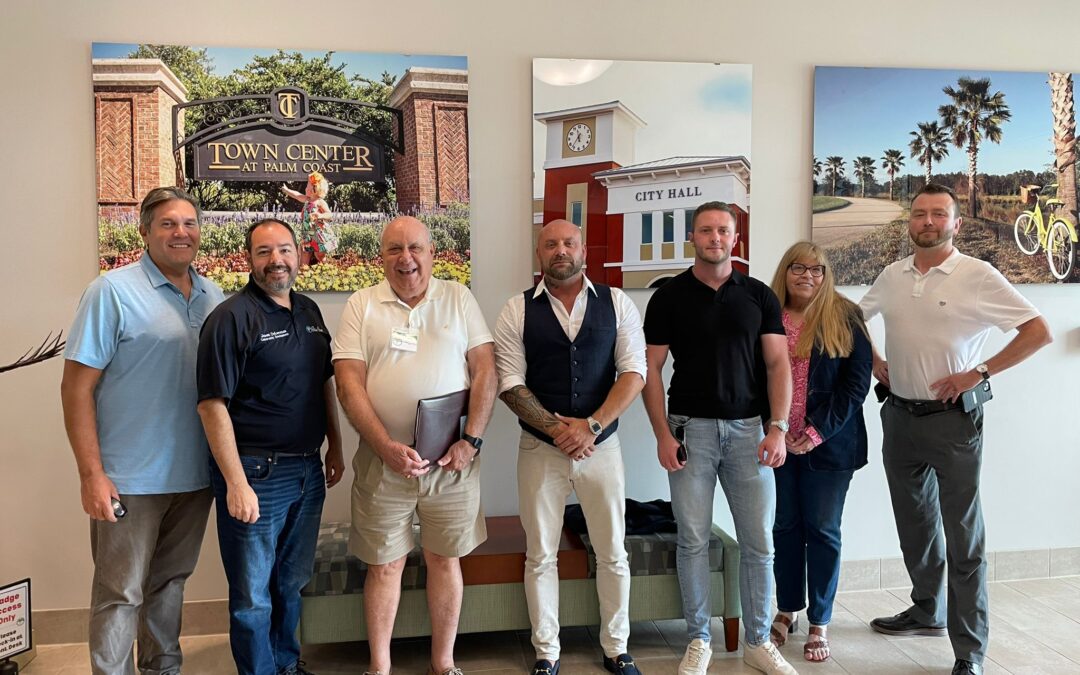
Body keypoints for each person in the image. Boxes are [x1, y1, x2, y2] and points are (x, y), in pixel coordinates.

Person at [861, 183, 1051, 675]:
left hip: (954, 421)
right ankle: (927, 610)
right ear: (910, 222)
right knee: (915, 527)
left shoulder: (977, 274)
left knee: (963, 535)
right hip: (898, 417)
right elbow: (853, 315)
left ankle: (969, 651)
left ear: (956, 223)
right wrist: (875, 359)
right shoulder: (892, 274)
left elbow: (1037, 331)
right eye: (920, 214)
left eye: (938, 214)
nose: (928, 221)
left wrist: (980, 371)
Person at [61, 186, 225, 675]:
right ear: (145, 232)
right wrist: (93, 474)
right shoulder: (111, 291)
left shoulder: (214, 295)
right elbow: (75, 390)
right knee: (120, 592)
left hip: (195, 476)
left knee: (170, 583)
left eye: (190, 223)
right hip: (129, 478)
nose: (181, 232)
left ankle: (163, 670)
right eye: (168, 224)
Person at [332, 216, 497, 675]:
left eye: (415, 248)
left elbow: (486, 370)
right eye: (395, 250)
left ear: (432, 252)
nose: (407, 259)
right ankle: (379, 668)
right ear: (380, 257)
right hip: (384, 463)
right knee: (384, 566)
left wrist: (472, 441)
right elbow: (349, 385)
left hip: (452, 461)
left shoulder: (458, 298)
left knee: (445, 560)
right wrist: (385, 446)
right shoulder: (362, 304)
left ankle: (443, 665)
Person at [642, 201, 797, 675]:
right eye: (706, 230)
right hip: (691, 432)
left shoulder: (758, 296)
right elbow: (649, 368)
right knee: (692, 541)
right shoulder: (668, 296)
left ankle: (756, 641)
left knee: (759, 544)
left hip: (751, 432)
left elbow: (778, 365)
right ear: (693, 237)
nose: (715, 238)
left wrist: (778, 427)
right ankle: (698, 640)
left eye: (723, 231)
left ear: (736, 240)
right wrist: (663, 434)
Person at [494, 219, 647, 675]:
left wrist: (592, 427)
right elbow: (509, 384)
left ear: (584, 250)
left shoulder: (617, 303)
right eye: (551, 244)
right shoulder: (515, 310)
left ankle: (617, 648)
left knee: (613, 551)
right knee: (540, 554)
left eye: (569, 243)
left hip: (604, 450)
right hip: (540, 452)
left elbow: (633, 373)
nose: (561, 250)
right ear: (539, 254)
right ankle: (547, 653)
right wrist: (561, 431)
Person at [196, 218, 344, 675]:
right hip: (255, 473)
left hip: (307, 471)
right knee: (252, 595)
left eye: (284, 250)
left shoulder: (310, 312)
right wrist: (236, 484)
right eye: (264, 252)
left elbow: (324, 385)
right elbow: (211, 405)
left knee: (291, 582)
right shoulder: (230, 318)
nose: (275, 260)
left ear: (300, 254)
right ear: (249, 259)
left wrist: (335, 447)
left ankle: (285, 664)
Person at [766, 242, 872, 663]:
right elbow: (758, 377)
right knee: (785, 528)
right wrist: (772, 430)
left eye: (817, 269)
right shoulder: (767, 314)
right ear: (785, 271)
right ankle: (787, 609)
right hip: (777, 444)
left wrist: (815, 432)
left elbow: (856, 385)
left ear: (826, 275)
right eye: (798, 267)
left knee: (823, 532)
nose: (807, 275)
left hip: (828, 447)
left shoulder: (845, 315)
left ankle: (820, 620)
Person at [281, 171, 333, 267]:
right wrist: (287, 190)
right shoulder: (307, 199)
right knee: (304, 257)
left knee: (319, 256)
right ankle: (303, 276)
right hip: (307, 234)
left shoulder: (320, 202)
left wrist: (320, 215)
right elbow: (296, 195)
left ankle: (328, 271)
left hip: (317, 235)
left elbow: (329, 215)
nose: (305, 187)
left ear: (315, 188)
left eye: (307, 185)